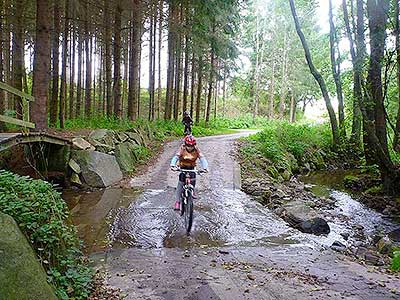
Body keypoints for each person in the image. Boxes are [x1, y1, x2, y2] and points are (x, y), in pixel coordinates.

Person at [170, 135, 208, 210]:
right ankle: (177, 202)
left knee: (193, 177)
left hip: (191, 167)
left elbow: (202, 158)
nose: (190, 147)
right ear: (185, 144)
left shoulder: (196, 150)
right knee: (180, 184)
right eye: (188, 145)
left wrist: (205, 167)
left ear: (194, 145)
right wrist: (172, 165)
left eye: (192, 146)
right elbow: (176, 157)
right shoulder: (182, 149)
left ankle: (192, 190)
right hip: (183, 167)